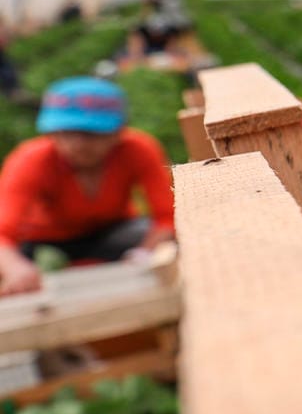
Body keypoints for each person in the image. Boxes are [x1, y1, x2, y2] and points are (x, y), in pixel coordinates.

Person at [0, 77, 174, 296]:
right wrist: (15, 267)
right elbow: (3, 234)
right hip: (44, 240)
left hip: (112, 232)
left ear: (118, 131)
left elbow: (166, 217)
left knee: (163, 243)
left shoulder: (139, 150)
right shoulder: (29, 161)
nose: (77, 145)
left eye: (90, 134)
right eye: (66, 133)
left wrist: (145, 253)